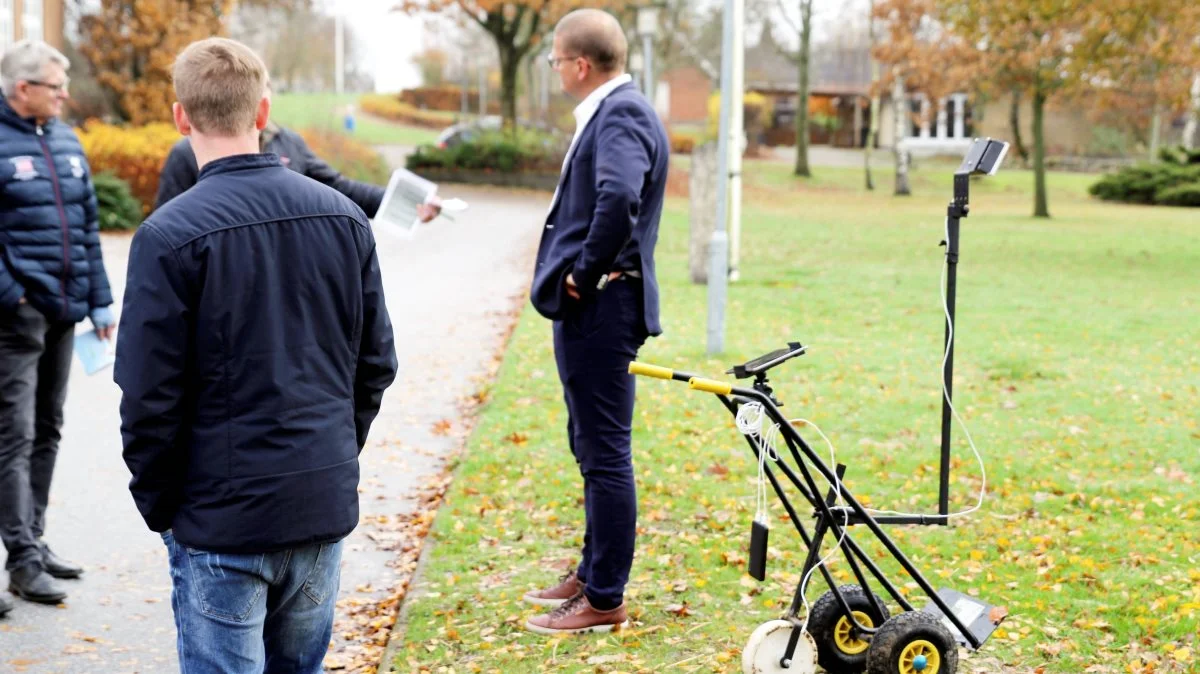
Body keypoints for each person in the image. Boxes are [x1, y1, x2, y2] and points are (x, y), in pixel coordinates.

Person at [114, 37, 397, 672]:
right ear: (264, 112)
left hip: (221, 516)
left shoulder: (166, 236)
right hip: (314, 503)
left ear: (181, 117)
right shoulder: (345, 218)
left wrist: (163, 504)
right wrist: (330, 453)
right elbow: (375, 364)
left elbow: (147, 395)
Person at [522, 9, 669, 635]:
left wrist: (583, 275)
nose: (555, 70)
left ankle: (604, 598)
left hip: (604, 305)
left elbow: (618, 198)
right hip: (596, 306)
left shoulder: (622, 114)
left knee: (605, 451)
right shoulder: (613, 112)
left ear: (580, 65)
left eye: (556, 60)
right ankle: (591, 570)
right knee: (589, 442)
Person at [0, 39, 114, 608]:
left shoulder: (67, 140)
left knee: (48, 428)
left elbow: (88, 225)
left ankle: (32, 542)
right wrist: (14, 296)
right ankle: (20, 559)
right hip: (16, 320)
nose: (66, 95)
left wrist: (100, 301)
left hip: (66, 314)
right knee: (13, 437)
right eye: (56, 86)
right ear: (23, 89)